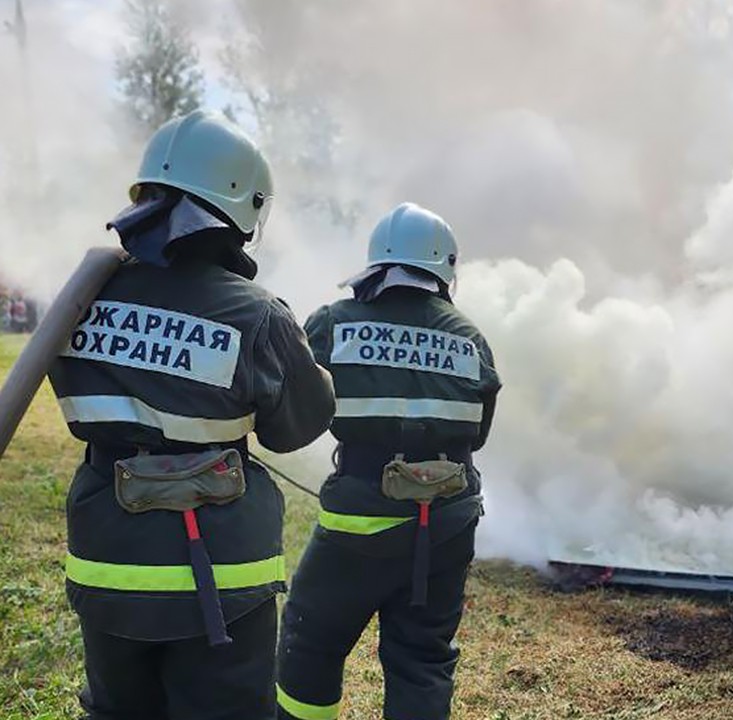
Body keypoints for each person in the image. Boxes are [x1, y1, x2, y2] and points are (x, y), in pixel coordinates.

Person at [47, 110, 336, 720]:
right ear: (244, 205)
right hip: (223, 576)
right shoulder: (257, 314)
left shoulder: (79, 299)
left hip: (108, 561)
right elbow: (296, 430)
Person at [277, 202, 501, 720]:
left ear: (377, 263)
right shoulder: (471, 340)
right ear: (445, 268)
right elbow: (479, 436)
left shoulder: (335, 323)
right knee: (423, 659)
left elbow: (297, 409)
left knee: (311, 643)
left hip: (357, 525)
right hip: (446, 525)